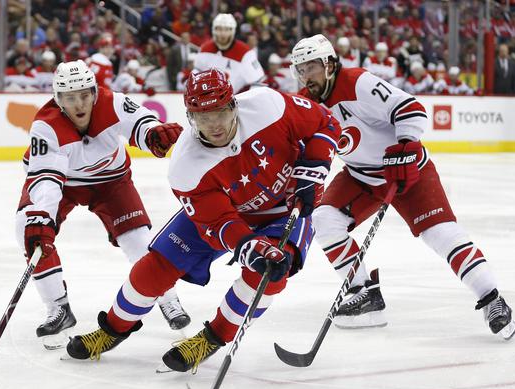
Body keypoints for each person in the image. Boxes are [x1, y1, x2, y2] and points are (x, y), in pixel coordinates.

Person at [65, 68, 341, 370]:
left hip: (288, 206)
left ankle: (214, 336)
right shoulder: (185, 165)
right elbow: (220, 224)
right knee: (155, 268)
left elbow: (325, 123)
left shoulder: (267, 105)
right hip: (230, 215)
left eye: (220, 113)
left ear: (234, 105)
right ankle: (112, 330)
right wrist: (249, 248)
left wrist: (312, 170)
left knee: (271, 274)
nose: (214, 125)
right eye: (202, 117)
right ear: (190, 118)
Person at [290, 34, 515, 339]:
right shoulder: (307, 103)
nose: (306, 76)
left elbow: (411, 108)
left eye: (311, 67)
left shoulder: (357, 82)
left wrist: (406, 145)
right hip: (361, 176)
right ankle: (364, 293)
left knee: (441, 235)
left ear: (329, 64)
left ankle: (492, 299)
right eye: (300, 70)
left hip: (409, 171)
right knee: (324, 218)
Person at [16, 60, 191, 347]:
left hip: (111, 182)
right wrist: (42, 219)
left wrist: (153, 136)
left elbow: (142, 123)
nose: (79, 103)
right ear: (58, 99)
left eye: (85, 94)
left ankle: (167, 298)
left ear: (95, 92)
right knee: (27, 226)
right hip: (65, 184)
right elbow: (46, 180)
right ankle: (58, 307)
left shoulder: (113, 103)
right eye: (70, 97)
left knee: (138, 239)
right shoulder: (45, 125)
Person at [194, 13, 265, 94]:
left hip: (237, 101)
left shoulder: (245, 53)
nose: (223, 34)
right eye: (219, 29)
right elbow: (196, 75)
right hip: (209, 101)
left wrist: (244, 100)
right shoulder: (204, 49)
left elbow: (258, 82)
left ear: (233, 30)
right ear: (213, 30)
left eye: (226, 29)